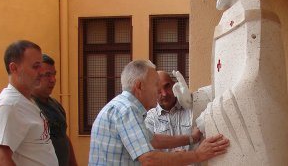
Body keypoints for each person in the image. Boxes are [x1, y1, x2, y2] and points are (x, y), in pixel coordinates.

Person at [173, 0, 288, 165]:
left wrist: (209, 116)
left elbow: (254, 80)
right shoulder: (228, 17)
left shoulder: (255, 11)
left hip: (258, 143)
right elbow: (228, 84)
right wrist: (194, 99)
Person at [89, 60, 229, 165]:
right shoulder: (127, 110)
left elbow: (153, 140)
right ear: (139, 86)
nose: (160, 92)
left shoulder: (122, 106)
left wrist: (192, 138)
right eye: (155, 84)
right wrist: (198, 155)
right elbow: (149, 158)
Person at [0, 40, 58, 166]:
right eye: (35, 66)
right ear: (14, 68)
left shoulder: (26, 101)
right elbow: (1, 160)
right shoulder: (9, 105)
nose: (41, 71)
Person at [32, 54, 78, 166]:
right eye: (47, 75)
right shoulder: (27, 107)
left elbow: (63, 135)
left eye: (54, 74)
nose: (53, 80)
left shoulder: (55, 105)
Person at [145, 71, 197, 152]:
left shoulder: (190, 106)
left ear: (174, 85)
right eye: (158, 90)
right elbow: (148, 148)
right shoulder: (150, 118)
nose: (164, 94)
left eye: (167, 86)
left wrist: (193, 100)